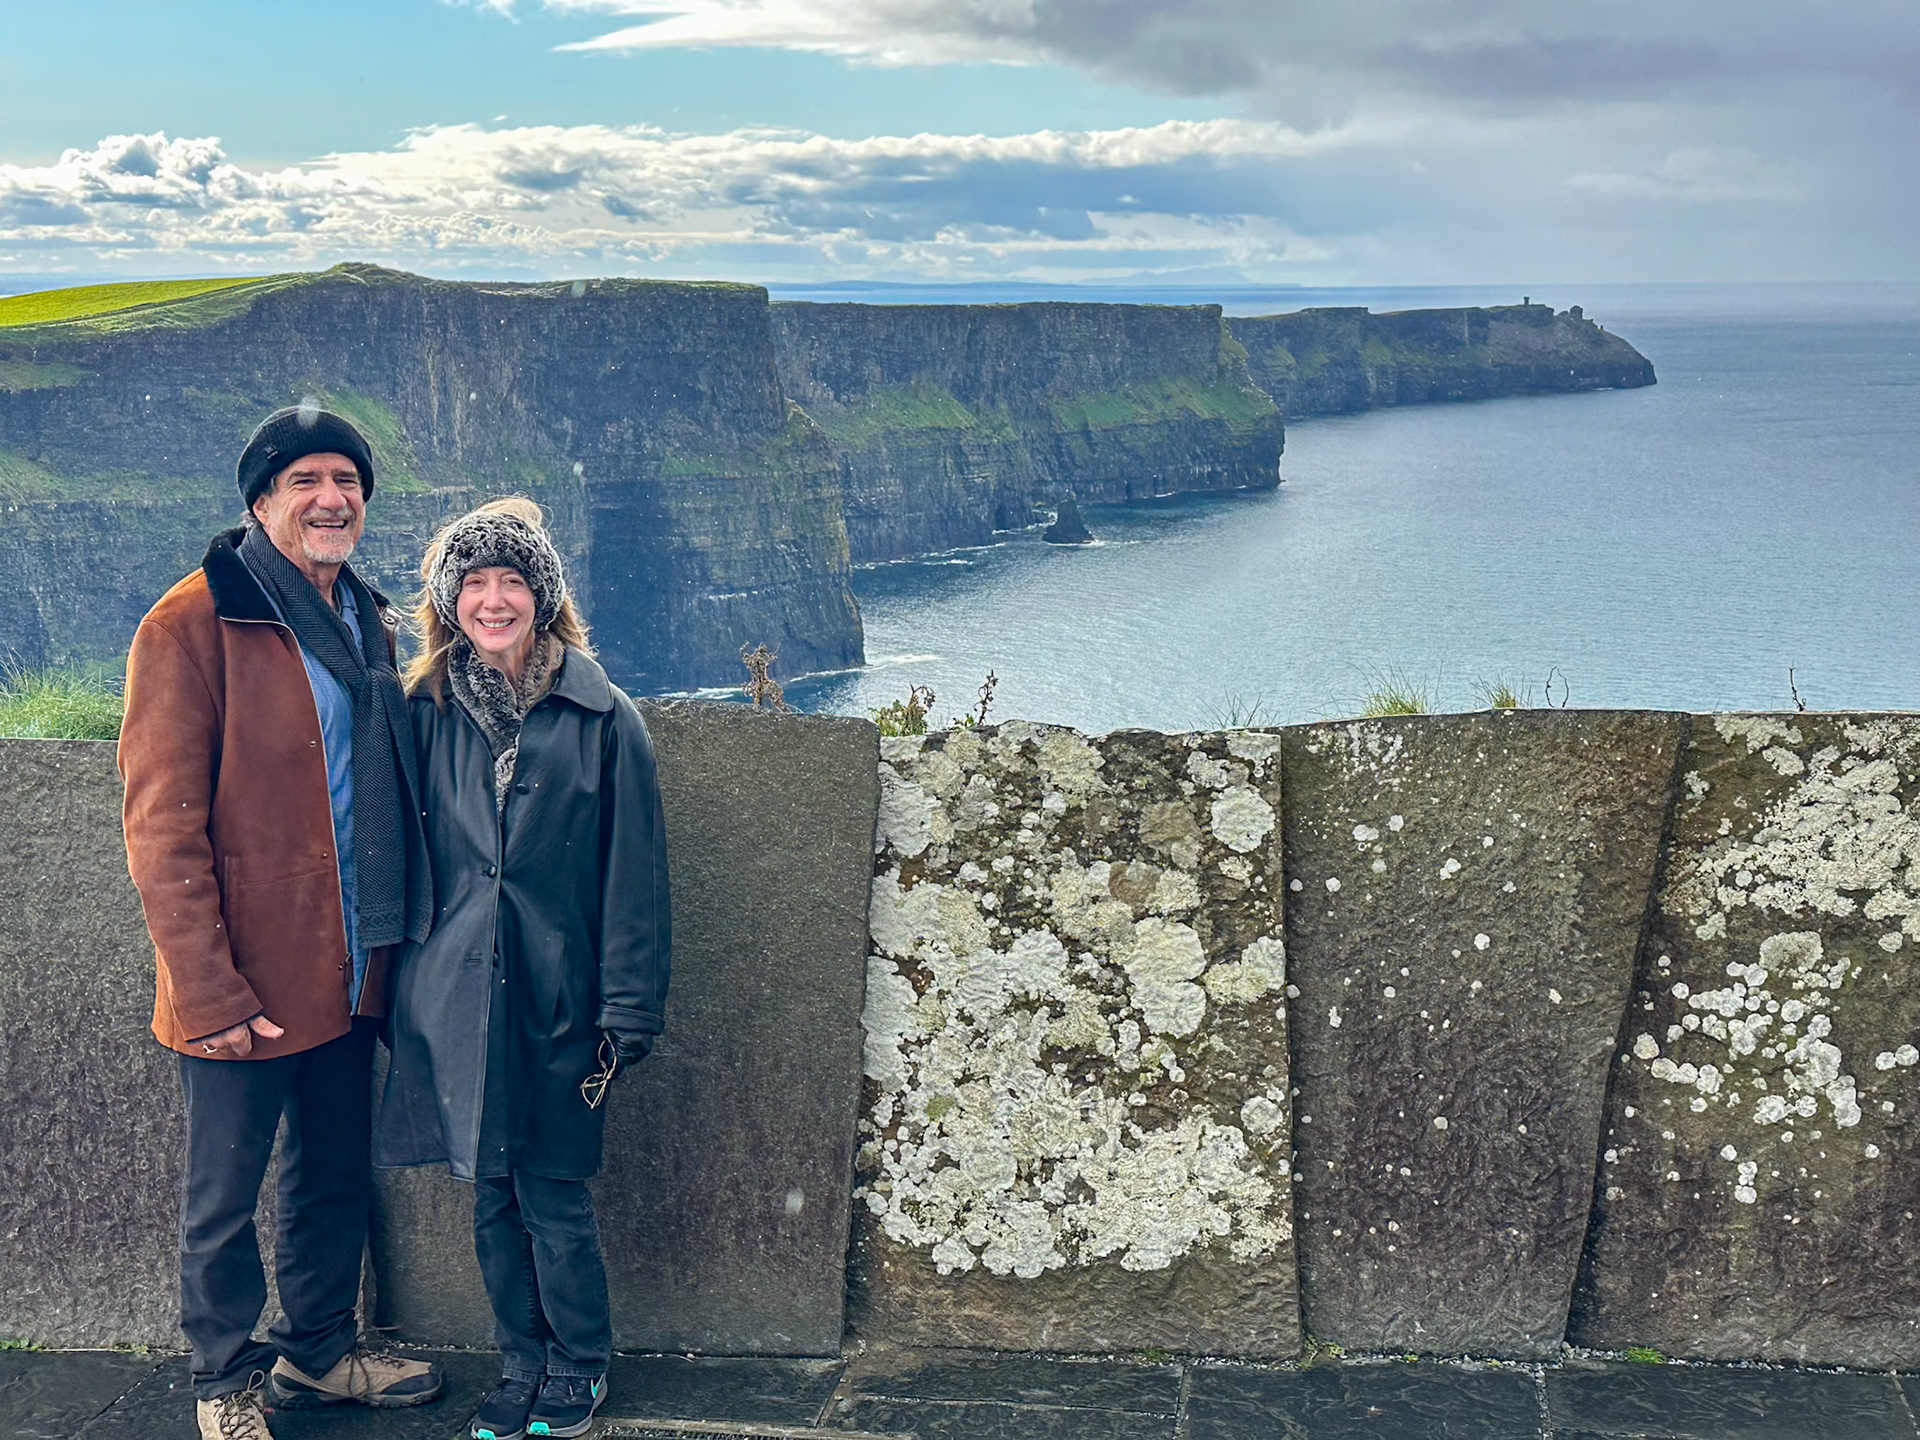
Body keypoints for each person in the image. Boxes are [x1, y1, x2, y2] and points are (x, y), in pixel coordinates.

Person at [118, 406, 444, 1440]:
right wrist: (207, 990)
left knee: (332, 1171)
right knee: (224, 1194)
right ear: (261, 502)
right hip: (241, 979)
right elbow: (161, 827)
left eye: (346, 479)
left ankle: (318, 1354)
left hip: (350, 962)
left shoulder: (368, 619)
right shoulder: (191, 623)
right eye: (304, 479)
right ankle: (223, 1381)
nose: (330, 497)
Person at [378, 497, 671, 1440]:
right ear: (449, 599)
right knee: (491, 1192)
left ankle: (579, 1364)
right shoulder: (423, 712)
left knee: (551, 1191)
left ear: (543, 598)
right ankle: (521, 1362)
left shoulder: (604, 719)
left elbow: (635, 880)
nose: (493, 598)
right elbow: (403, 856)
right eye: (475, 582)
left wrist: (628, 1014)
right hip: (456, 998)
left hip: (562, 1002)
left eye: (512, 580)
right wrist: (402, 993)